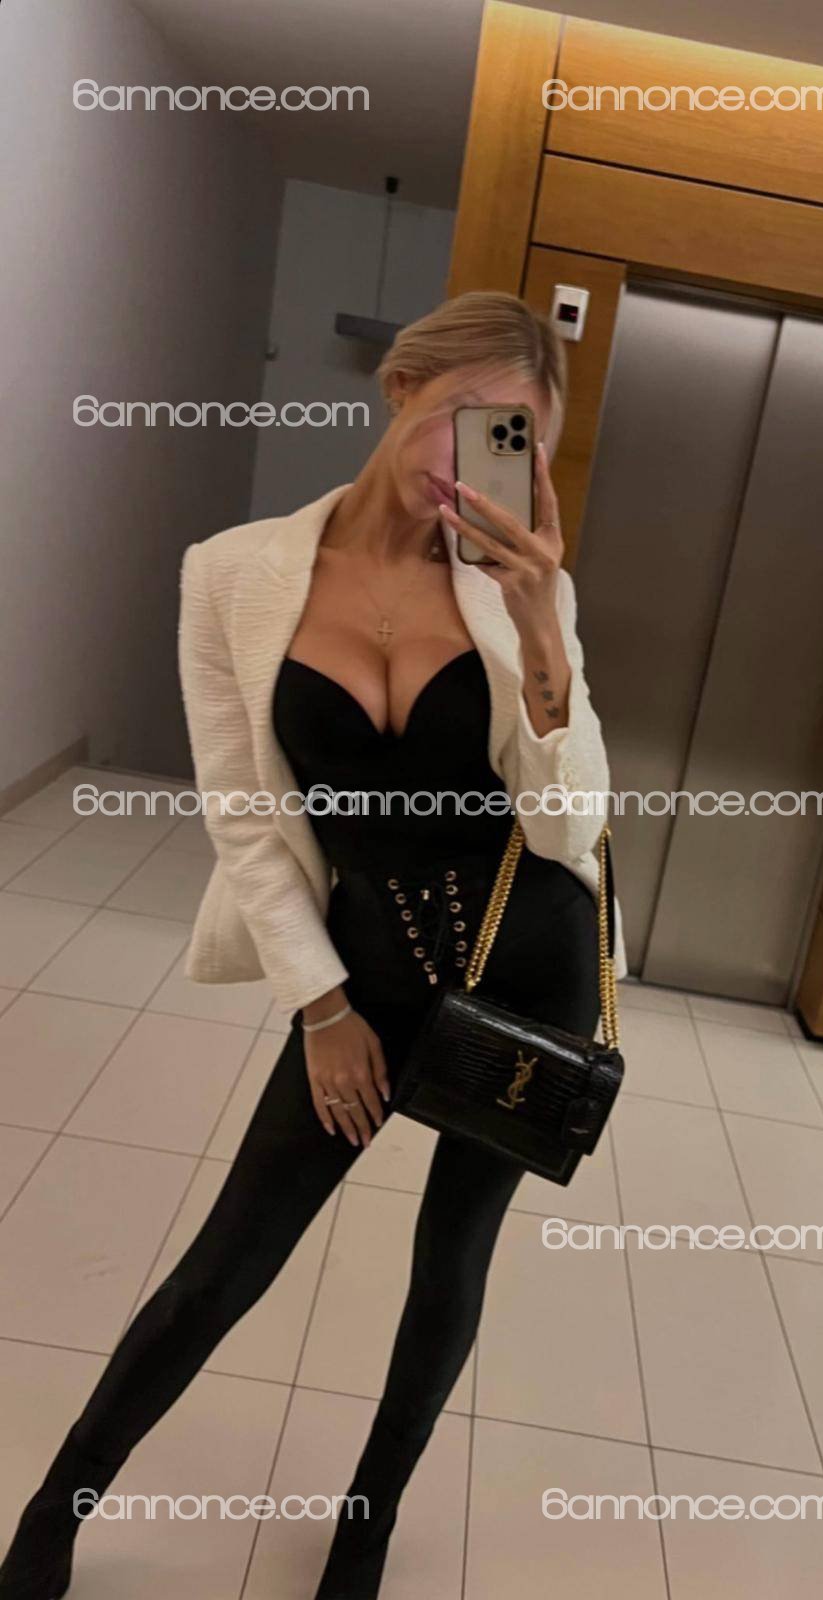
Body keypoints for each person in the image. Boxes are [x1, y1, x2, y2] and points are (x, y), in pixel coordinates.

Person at [0, 291, 625, 1600]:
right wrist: (324, 1009)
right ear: (403, 384)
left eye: (515, 436)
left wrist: (543, 637)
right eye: (467, 416)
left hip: (532, 955)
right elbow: (242, 813)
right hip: (368, 967)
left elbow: (571, 825)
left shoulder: (522, 585)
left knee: (452, 1257)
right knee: (231, 1253)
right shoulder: (232, 573)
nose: (479, 456)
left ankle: (366, 1528)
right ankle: (56, 1511)